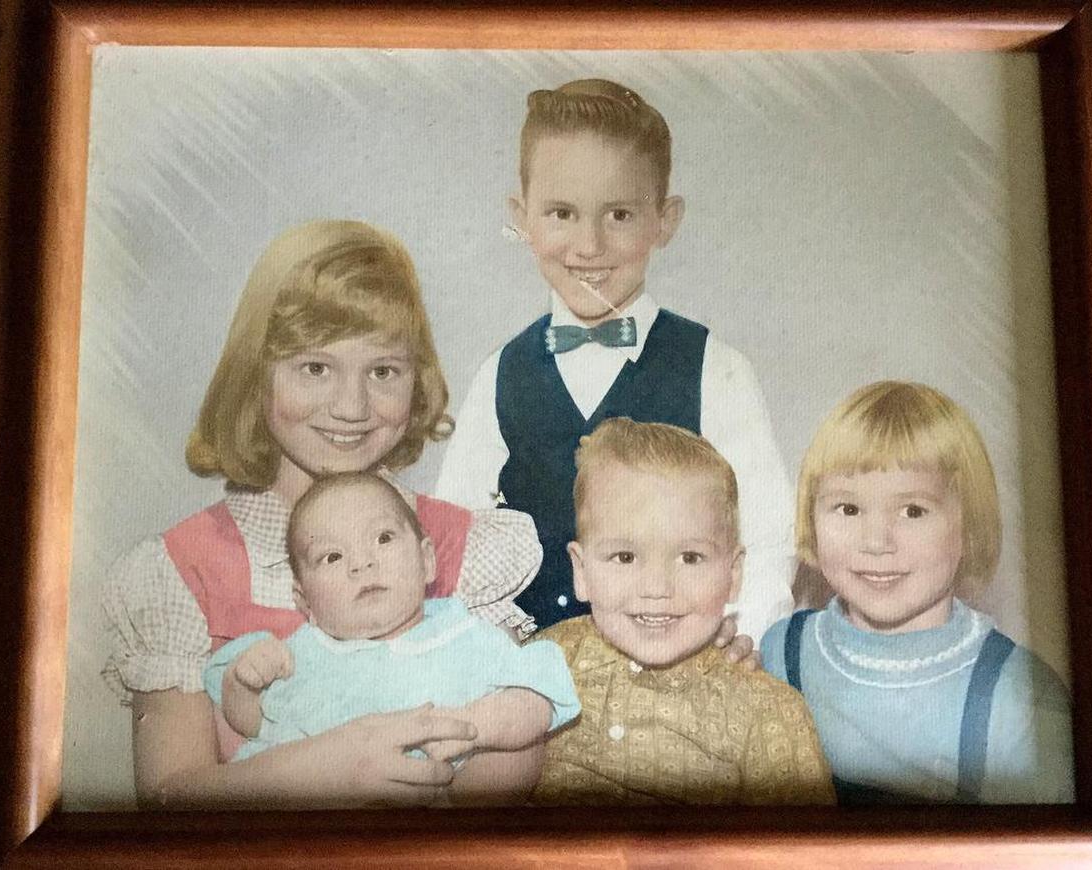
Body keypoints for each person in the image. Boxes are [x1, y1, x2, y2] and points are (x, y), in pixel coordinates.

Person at [102, 220, 543, 808]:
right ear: (256, 374)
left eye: (383, 371)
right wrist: (327, 767)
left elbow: (508, 768)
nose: (352, 407)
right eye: (315, 368)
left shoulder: (462, 550)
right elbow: (169, 797)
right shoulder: (184, 570)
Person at [435, 78, 794, 641]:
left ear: (664, 220)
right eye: (561, 213)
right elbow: (451, 536)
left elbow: (769, 534)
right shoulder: (501, 374)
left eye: (619, 215)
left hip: (673, 666)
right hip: (530, 677)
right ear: (523, 218)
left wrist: (743, 627)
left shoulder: (714, 370)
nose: (590, 245)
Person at [760, 381, 1074, 804]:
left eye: (913, 510)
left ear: (969, 527)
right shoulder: (780, 653)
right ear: (811, 518)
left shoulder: (1019, 697)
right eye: (849, 508)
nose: (877, 541)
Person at [204, 472, 579, 804]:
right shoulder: (297, 653)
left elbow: (540, 697)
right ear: (305, 601)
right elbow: (249, 723)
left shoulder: (464, 633)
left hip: (435, 806)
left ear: (427, 560)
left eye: (383, 537)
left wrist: (476, 724)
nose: (361, 563)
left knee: (515, 753)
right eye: (332, 557)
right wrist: (244, 682)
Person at [531, 419, 835, 806]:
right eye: (625, 556)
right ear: (582, 571)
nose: (657, 588)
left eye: (690, 558)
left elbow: (805, 853)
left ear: (733, 574)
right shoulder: (535, 668)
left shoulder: (770, 714)